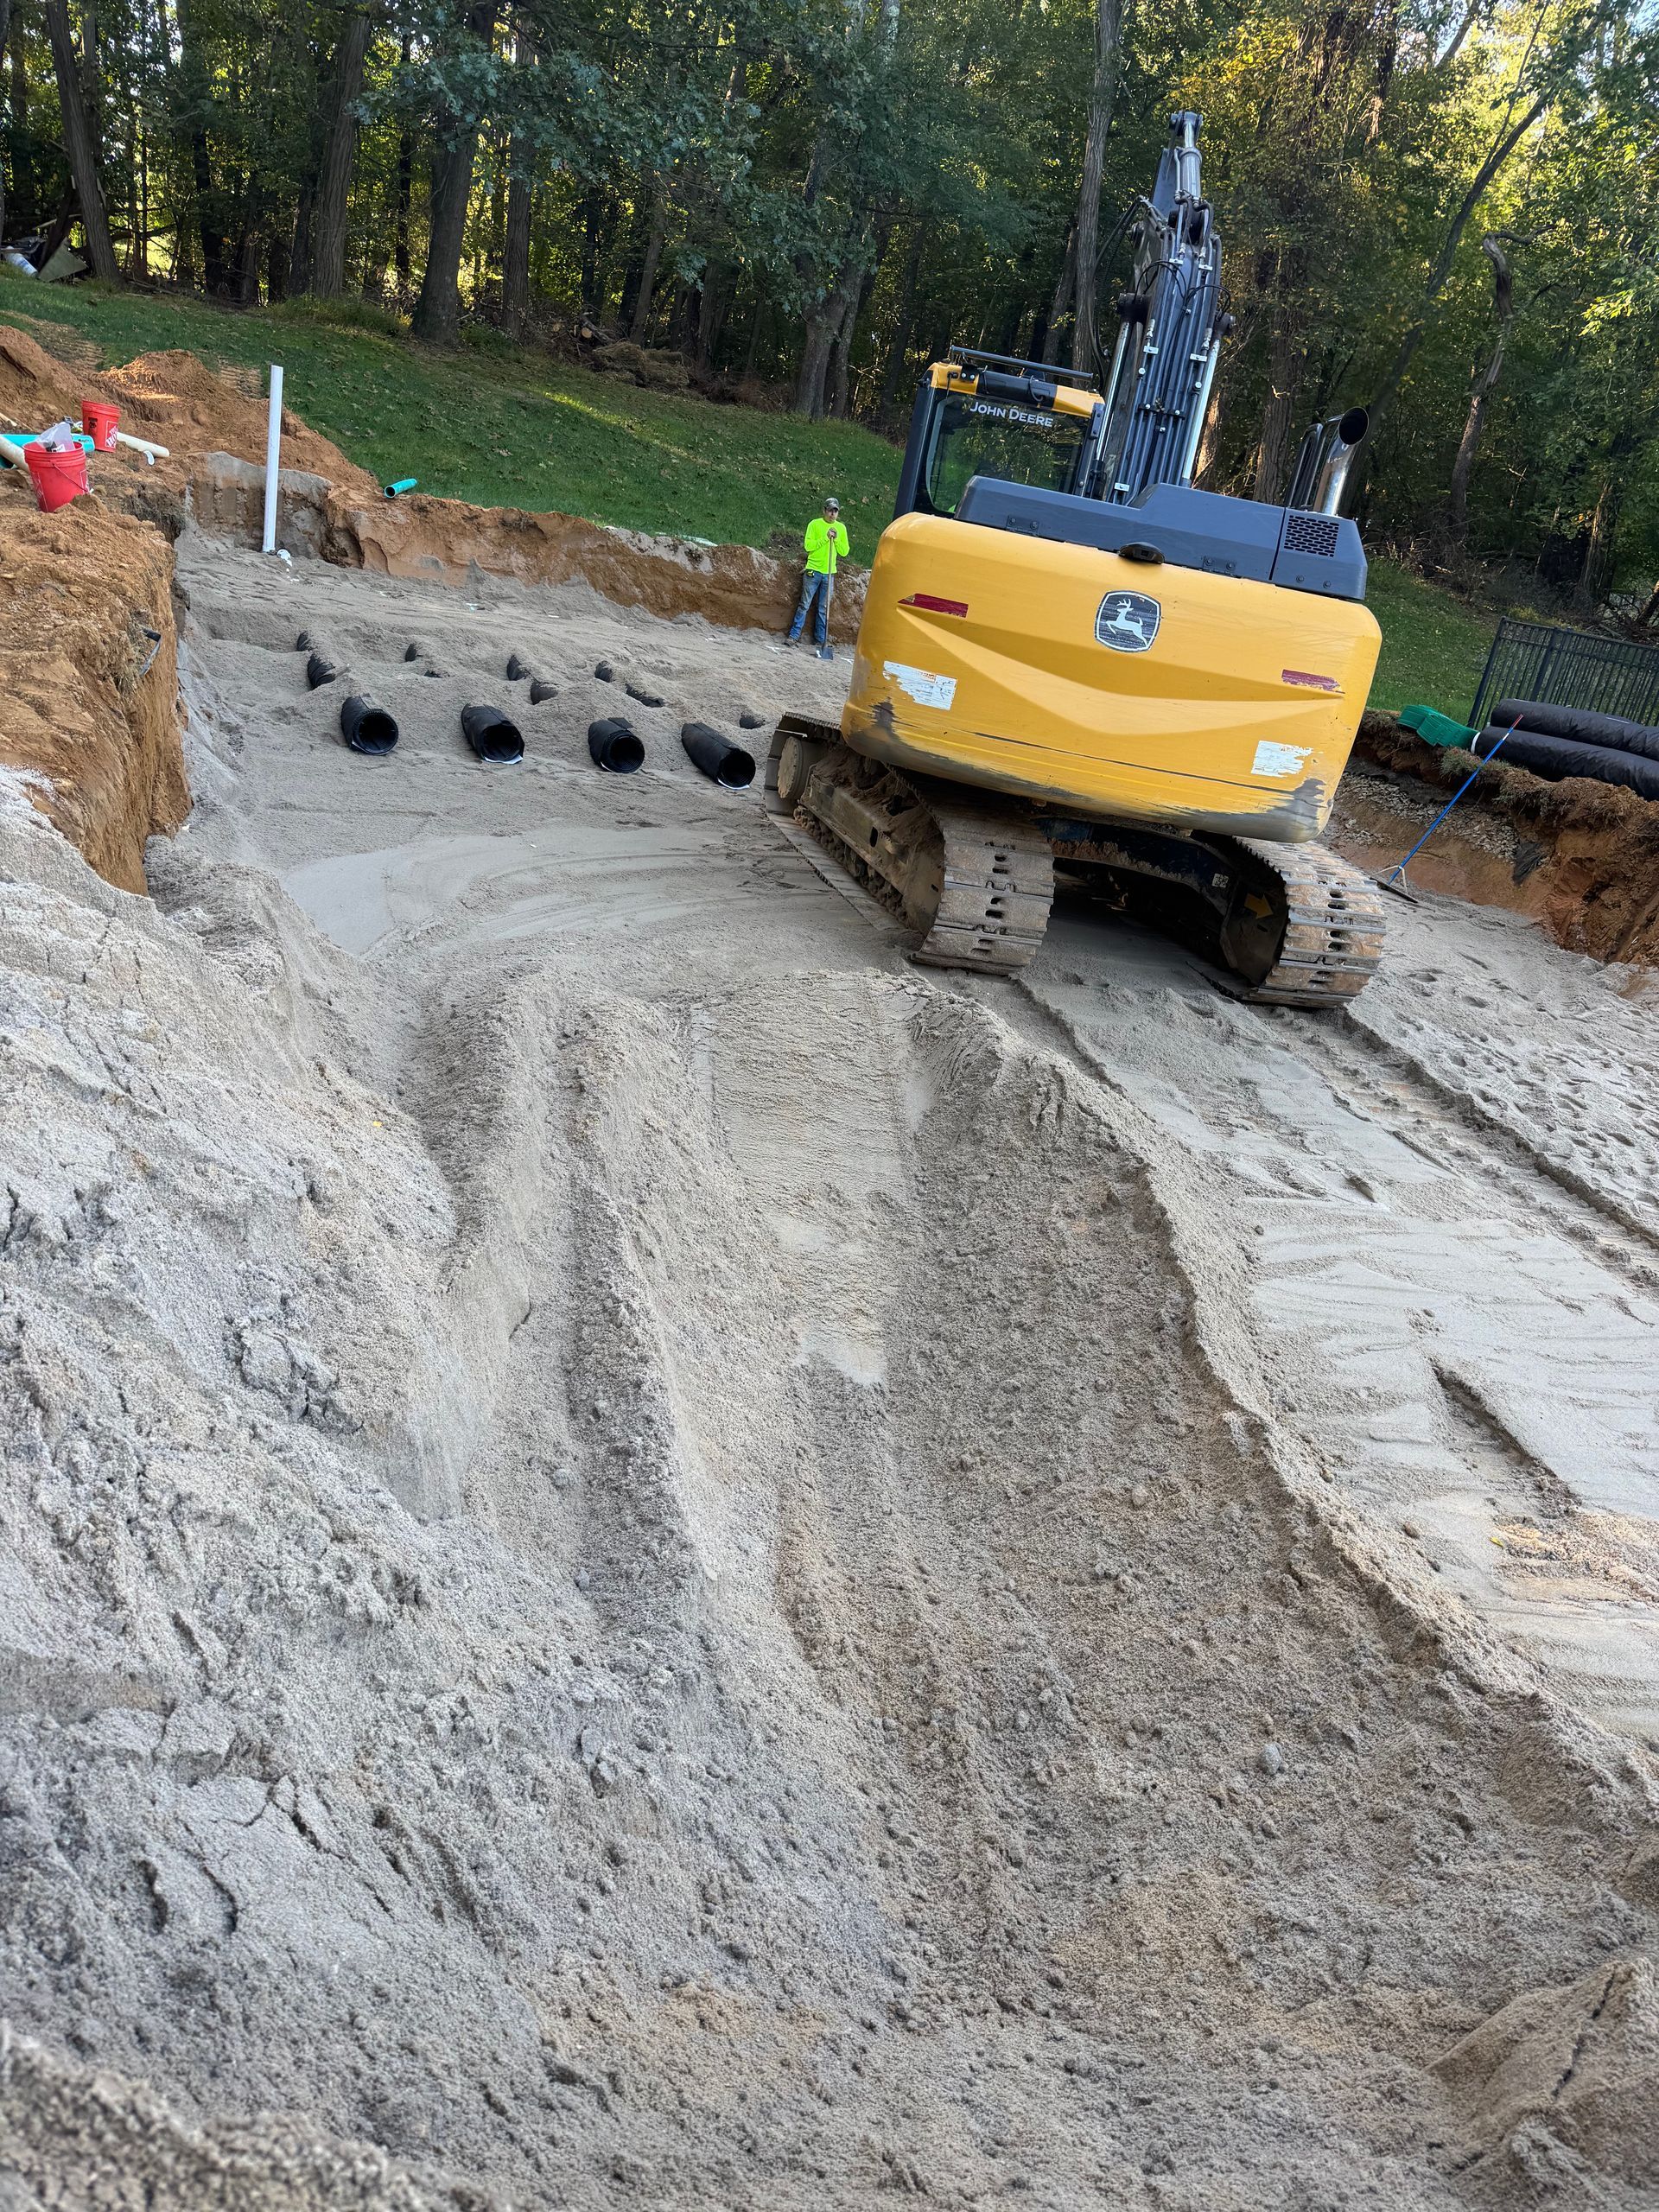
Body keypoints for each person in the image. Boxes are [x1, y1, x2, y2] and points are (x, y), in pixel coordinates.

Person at [785, 498, 849, 658]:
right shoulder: (814, 525)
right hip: (813, 571)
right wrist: (825, 538)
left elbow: (844, 552)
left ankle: (820, 639)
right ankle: (794, 635)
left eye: (835, 511)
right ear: (824, 510)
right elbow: (808, 546)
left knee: (823, 608)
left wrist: (835, 541)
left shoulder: (841, 528)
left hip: (829, 572)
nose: (832, 514)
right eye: (830, 510)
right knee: (804, 604)